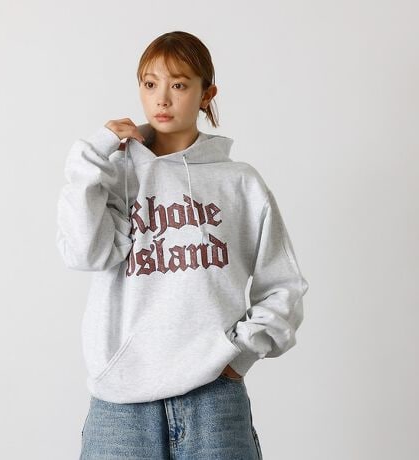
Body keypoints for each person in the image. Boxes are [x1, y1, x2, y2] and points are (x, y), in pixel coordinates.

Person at [56, 30, 309, 459]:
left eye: (178, 85)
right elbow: (83, 253)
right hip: (121, 405)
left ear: (207, 93)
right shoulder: (114, 173)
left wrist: (239, 355)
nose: (162, 99)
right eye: (150, 83)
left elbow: (283, 284)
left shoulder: (240, 183)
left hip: (213, 398)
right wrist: (93, 155)